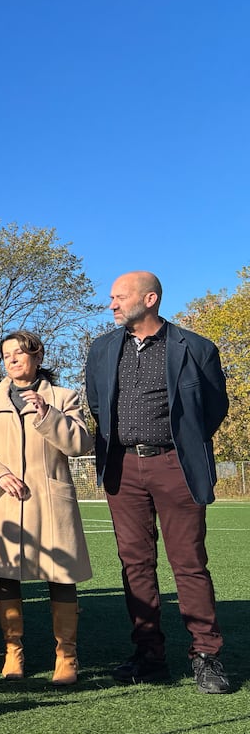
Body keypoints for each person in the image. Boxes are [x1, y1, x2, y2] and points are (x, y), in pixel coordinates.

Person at [86, 271, 231, 694]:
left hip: (176, 466)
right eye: (111, 297)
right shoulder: (102, 348)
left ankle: (206, 655)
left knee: (188, 563)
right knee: (135, 566)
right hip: (123, 470)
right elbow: (98, 404)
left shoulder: (196, 348)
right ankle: (149, 655)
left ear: (150, 299)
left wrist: (178, 445)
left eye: (119, 297)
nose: (111, 304)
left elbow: (213, 407)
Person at [0, 331, 93, 684]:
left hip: (50, 501)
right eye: (7, 355)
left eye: (20, 353)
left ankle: (67, 656)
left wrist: (49, 415)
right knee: (5, 574)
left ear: (37, 357)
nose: (13, 360)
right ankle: (13, 653)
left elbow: (80, 443)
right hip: (3, 500)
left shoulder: (65, 397)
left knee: (61, 574)